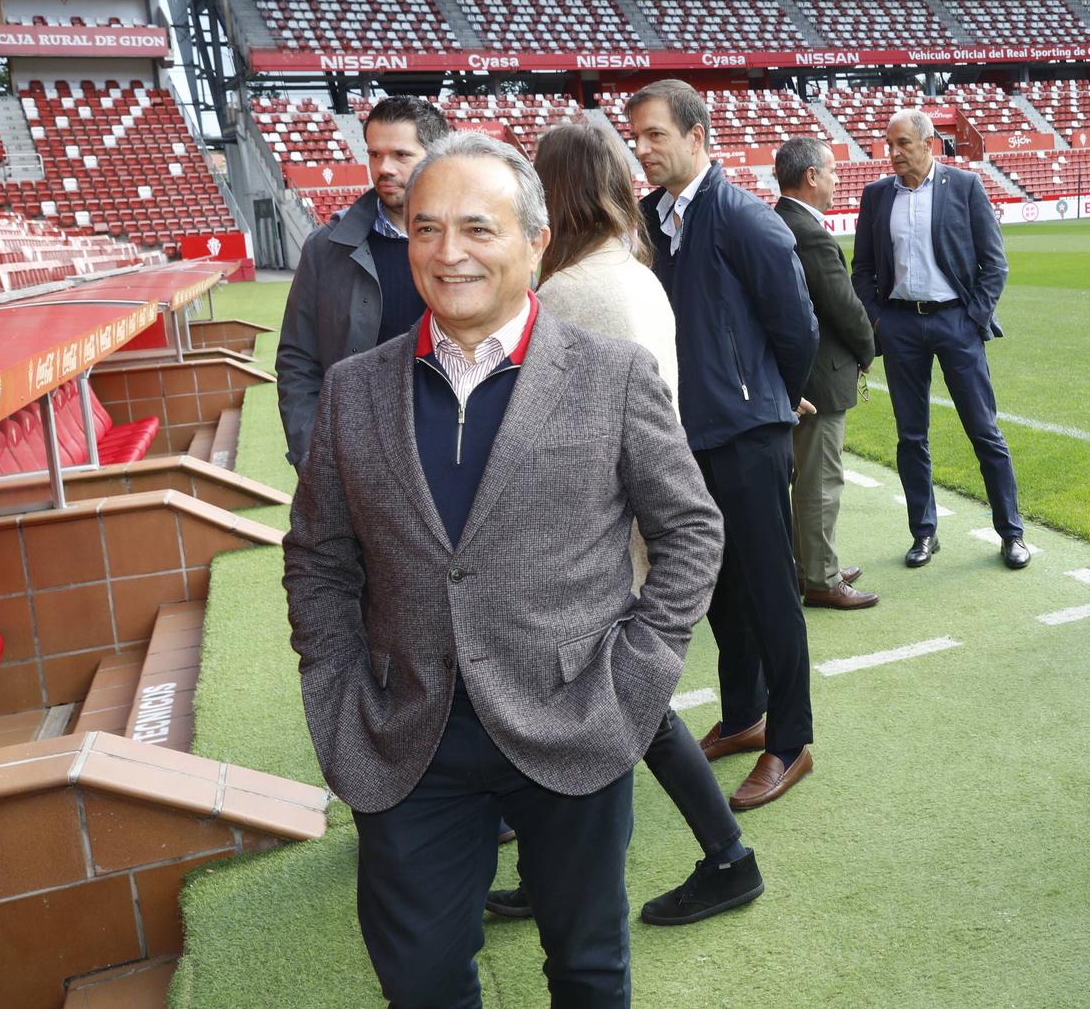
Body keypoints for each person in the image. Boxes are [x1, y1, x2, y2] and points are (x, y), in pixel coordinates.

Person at [283, 133, 722, 1006]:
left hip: (575, 722)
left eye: (478, 228)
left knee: (589, 968)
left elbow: (691, 531)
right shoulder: (353, 390)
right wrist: (336, 687)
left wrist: (635, 673)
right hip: (408, 733)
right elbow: (318, 558)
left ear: (535, 241)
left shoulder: (612, 375)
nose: (449, 253)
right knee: (422, 977)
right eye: (426, 228)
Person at [478, 122, 765, 929]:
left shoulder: (570, 292)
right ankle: (566, 870)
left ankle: (728, 857)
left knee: (624, 710)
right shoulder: (634, 273)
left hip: (593, 532)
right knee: (607, 708)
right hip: (631, 517)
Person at [631, 79, 821, 810]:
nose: (642, 149)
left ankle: (790, 738)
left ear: (696, 135)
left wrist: (767, 398)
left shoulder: (745, 217)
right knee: (716, 584)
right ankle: (744, 713)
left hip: (745, 433)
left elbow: (796, 326)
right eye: (636, 137)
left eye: (654, 135)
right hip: (683, 433)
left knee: (771, 587)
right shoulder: (650, 218)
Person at [852, 108, 1029, 569]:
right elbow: (863, 269)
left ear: (929, 144)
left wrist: (973, 320)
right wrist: (878, 321)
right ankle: (924, 533)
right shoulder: (876, 196)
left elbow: (995, 264)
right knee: (911, 437)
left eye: (902, 144)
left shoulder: (965, 187)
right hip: (901, 327)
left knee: (984, 430)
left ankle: (1011, 533)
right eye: (888, 144)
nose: (892, 154)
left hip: (956, 324)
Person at [277, 95, 448, 467]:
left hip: (453, 451)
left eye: (401, 155)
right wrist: (309, 454)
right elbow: (297, 361)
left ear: (437, 158)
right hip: (360, 460)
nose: (384, 168)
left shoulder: (472, 246)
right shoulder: (326, 247)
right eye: (374, 154)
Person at [773, 136, 880, 610]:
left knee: (810, 477)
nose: (838, 180)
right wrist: (868, 348)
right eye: (833, 172)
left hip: (802, 375)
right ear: (811, 176)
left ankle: (812, 562)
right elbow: (843, 306)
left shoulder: (781, 221)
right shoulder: (808, 231)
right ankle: (819, 577)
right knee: (820, 481)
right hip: (820, 377)